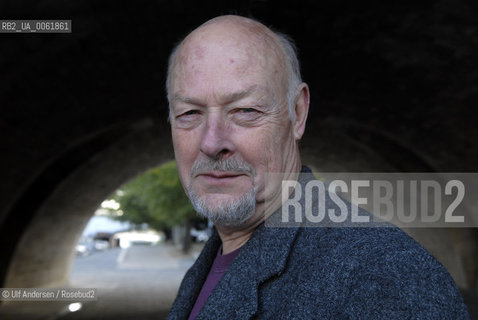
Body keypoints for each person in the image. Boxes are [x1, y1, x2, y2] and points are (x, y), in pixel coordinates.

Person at [165, 15, 470, 319]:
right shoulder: (213, 260)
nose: (212, 142)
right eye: (190, 113)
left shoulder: (387, 277)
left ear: (297, 114)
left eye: (245, 110)